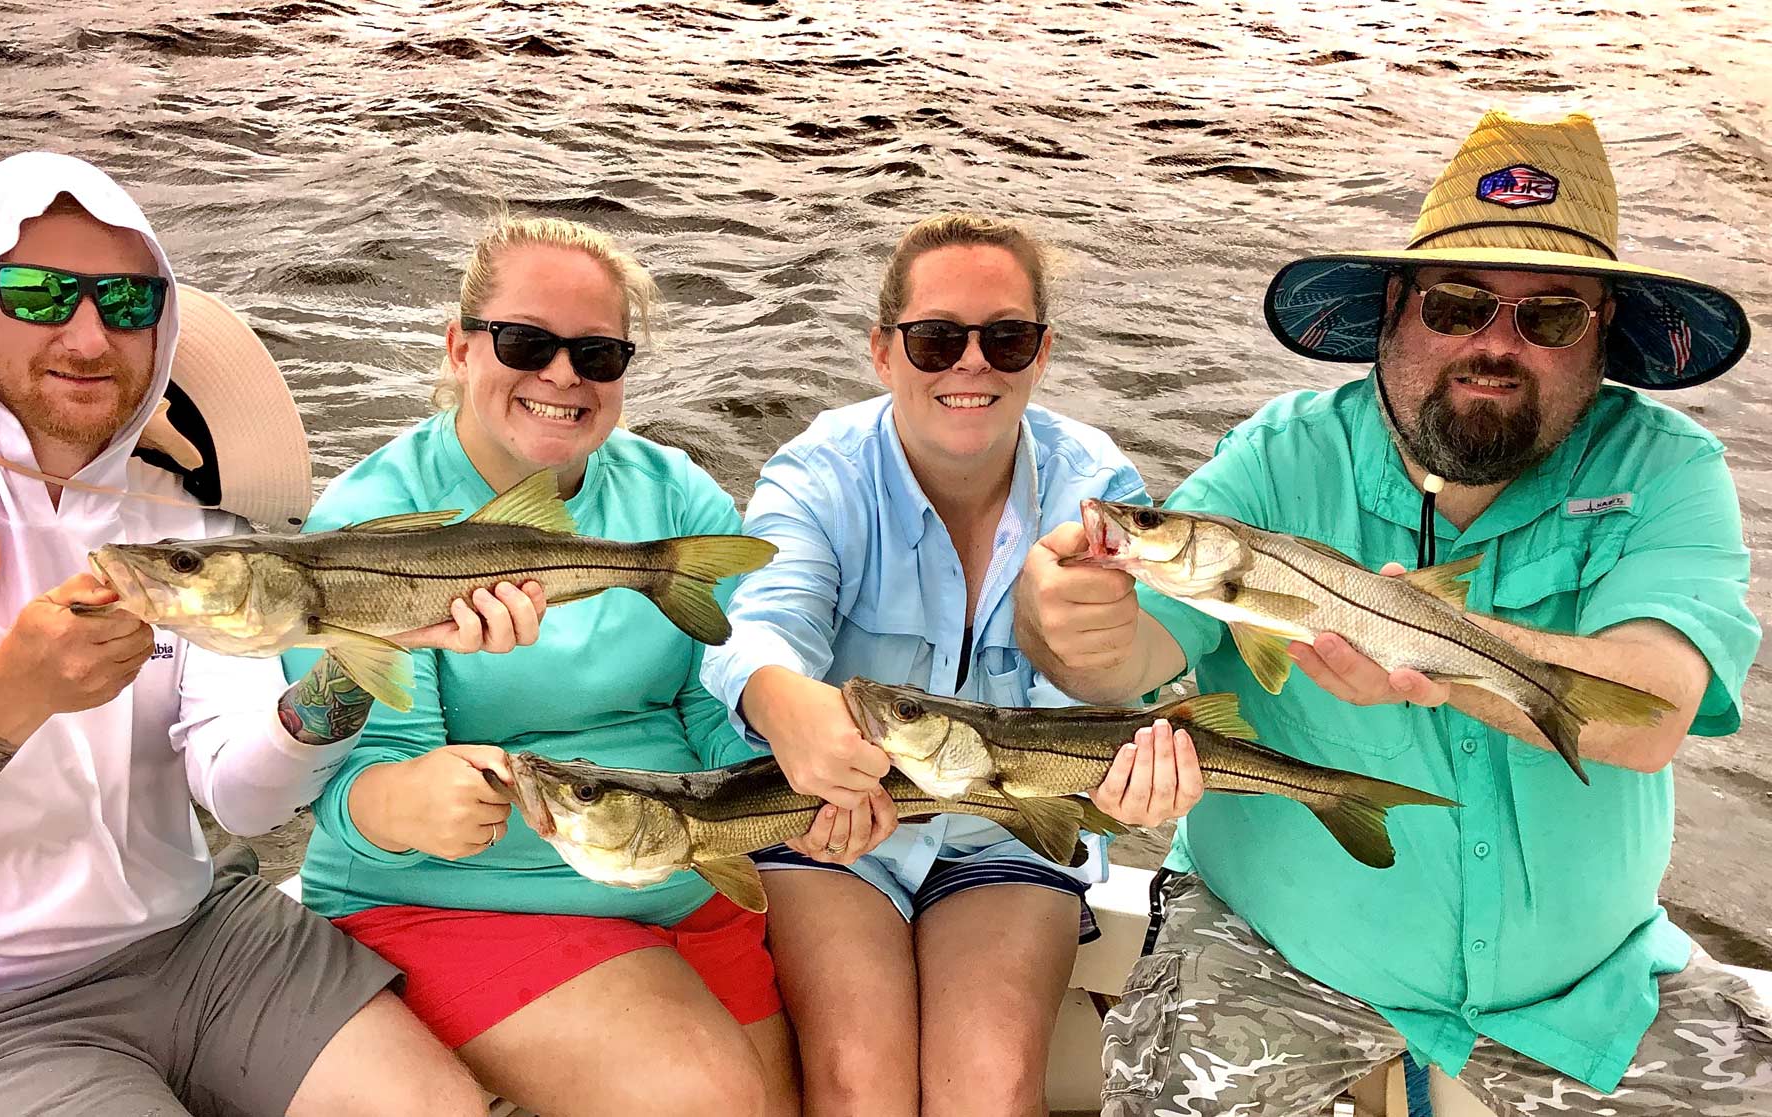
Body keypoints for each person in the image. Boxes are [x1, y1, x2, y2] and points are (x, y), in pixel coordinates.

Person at [1012, 109, 1772, 1115]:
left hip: (1585, 987)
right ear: (1394, 315)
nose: (1494, 345)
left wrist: (1433, 653)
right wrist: (1068, 626)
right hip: (1271, 953)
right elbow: (1134, 656)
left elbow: (1650, 712)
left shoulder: (1668, 469)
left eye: (1547, 318)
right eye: (1456, 305)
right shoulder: (1276, 457)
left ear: (1603, 343)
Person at [0, 153, 493, 1116]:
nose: (87, 331)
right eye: (38, 291)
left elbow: (241, 797)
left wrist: (364, 653)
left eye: (126, 298)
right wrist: (14, 689)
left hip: (203, 935)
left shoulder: (190, 534)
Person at [287, 213, 798, 1117]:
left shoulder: (672, 495)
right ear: (459, 347)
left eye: (599, 355)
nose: (563, 375)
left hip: (682, 863)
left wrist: (794, 767)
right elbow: (340, 779)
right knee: (705, 1097)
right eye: (527, 341)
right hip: (457, 899)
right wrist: (411, 800)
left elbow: (713, 700)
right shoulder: (370, 522)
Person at [700, 213, 1204, 1117]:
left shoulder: (1099, 488)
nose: (971, 364)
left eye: (1004, 338)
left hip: (1013, 831)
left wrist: (1144, 764)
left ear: (1041, 353)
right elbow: (760, 626)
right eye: (936, 340)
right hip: (842, 829)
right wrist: (788, 712)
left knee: (994, 1088)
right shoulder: (818, 475)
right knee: (859, 1081)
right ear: (883, 353)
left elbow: (1137, 675)